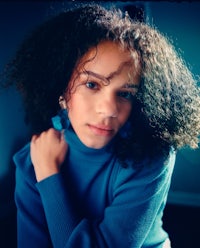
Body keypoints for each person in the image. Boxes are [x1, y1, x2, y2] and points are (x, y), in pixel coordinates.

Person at [2, 3, 200, 248]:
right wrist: (42, 168)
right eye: (92, 85)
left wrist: (49, 176)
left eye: (126, 94)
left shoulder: (152, 153)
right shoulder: (31, 160)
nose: (108, 110)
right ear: (62, 90)